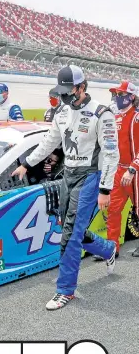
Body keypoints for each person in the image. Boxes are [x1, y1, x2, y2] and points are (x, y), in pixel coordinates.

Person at [11, 65, 119, 310]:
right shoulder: (61, 111)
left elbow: (112, 154)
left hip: (91, 177)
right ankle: (108, 248)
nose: (64, 96)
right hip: (67, 176)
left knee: (69, 234)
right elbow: (49, 142)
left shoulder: (102, 113)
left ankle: (65, 290)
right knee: (68, 226)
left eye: (68, 91)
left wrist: (105, 189)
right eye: (61, 92)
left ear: (82, 87)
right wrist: (27, 164)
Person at [93, 81, 139, 259]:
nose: (117, 98)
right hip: (118, 170)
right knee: (113, 209)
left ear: (131, 97)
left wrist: (133, 169)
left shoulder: (136, 117)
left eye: (121, 94)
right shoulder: (115, 118)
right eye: (116, 95)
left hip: (134, 171)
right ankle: (111, 248)